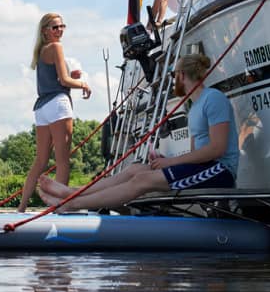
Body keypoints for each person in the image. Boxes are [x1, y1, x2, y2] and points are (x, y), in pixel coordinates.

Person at [38, 52, 238, 211]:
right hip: (203, 168)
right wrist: (165, 160)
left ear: (182, 75)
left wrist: (170, 162)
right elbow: (196, 154)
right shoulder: (194, 106)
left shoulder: (213, 99)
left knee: (142, 180)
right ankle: (72, 192)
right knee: (136, 169)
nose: (173, 80)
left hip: (220, 171)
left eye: (173, 75)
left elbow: (216, 150)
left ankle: (71, 205)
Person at [18, 13, 92, 212]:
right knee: (62, 160)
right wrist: (83, 84)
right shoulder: (57, 47)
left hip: (41, 108)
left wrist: (70, 76)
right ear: (45, 31)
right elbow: (64, 81)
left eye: (62, 27)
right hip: (57, 104)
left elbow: (58, 76)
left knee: (40, 161)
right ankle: (61, 206)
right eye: (55, 27)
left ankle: (22, 207)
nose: (59, 31)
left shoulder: (41, 51)